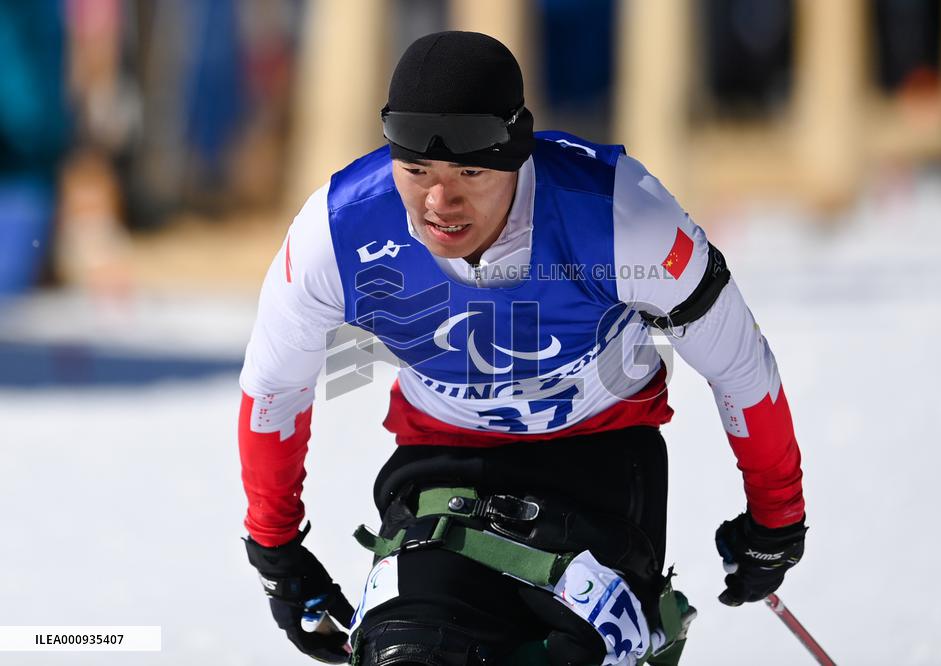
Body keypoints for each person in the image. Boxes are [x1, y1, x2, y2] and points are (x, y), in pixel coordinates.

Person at [239, 31, 806, 666]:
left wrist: (776, 517)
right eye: (416, 170)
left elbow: (738, 365)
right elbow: (274, 387)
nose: (438, 202)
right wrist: (275, 547)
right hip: (441, 467)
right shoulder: (338, 231)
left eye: (470, 173)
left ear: (515, 156)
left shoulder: (619, 216)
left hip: (600, 467)